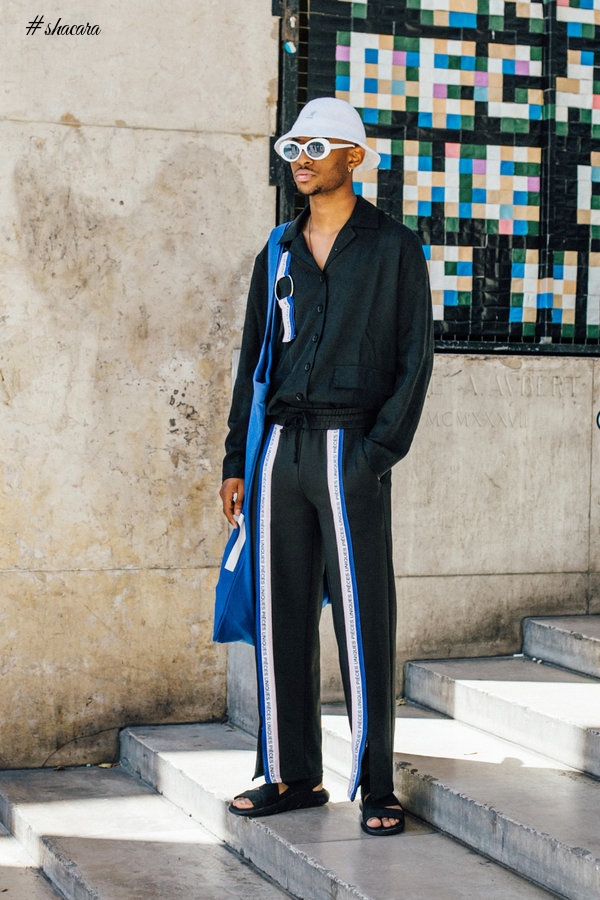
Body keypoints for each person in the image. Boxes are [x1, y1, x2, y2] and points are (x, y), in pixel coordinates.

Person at [219, 97, 433, 836]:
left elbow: (415, 361)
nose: (301, 159)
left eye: (316, 146)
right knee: (281, 614)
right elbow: (253, 360)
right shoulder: (276, 250)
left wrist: (376, 456)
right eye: (292, 149)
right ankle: (289, 773)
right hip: (279, 446)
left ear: (354, 157)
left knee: (363, 618)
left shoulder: (395, 249)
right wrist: (235, 459)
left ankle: (376, 785)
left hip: (352, 449)